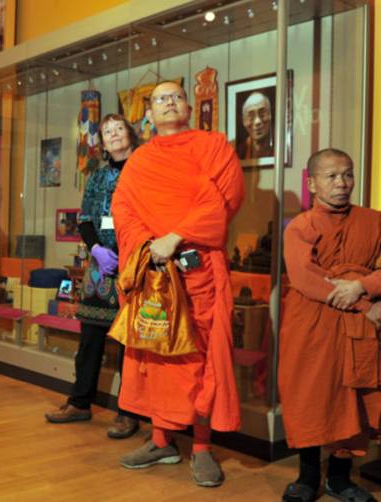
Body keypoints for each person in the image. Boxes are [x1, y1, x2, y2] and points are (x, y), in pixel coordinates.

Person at [111, 82, 244, 487]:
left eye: (176, 96)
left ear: (189, 106)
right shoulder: (139, 161)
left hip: (199, 269)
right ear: (148, 114)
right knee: (156, 355)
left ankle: (201, 447)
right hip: (155, 273)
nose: (169, 102)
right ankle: (160, 440)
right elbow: (123, 207)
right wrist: (151, 246)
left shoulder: (214, 146)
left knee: (200, 358)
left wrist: (178, 236)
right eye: (160, 99)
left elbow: (224, 200)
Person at [280, 148, 381, 502]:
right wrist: (364, 300)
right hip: (312, 322)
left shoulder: (374, 220)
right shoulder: (301, 226)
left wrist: (364, 285)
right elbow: (305, 279)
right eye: (332, 176)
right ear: (312, 183)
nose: (342, 183)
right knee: (310, 396)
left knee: (352, 399)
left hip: (358, 327)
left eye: (348, 174)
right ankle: (307, 477)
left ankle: (339, 478)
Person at [45, 114, 140, 439]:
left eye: (118, 129)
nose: (113, 135)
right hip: (102, 267)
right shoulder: (97, 177)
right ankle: (80, 402)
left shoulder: (145, 168)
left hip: (135, 265)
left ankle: (129, 413)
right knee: (89, 341)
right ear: (101, 141)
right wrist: (97, 249)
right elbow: (85, 219)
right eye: (107, 131)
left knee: (132, 345)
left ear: (130, 133)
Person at [237, 91, 273, 161]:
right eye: (251, 117)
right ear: (244, 121)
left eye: (262, 114)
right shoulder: (240, 151)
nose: (257, 122)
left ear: (270, 115)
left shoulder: (280, 147)